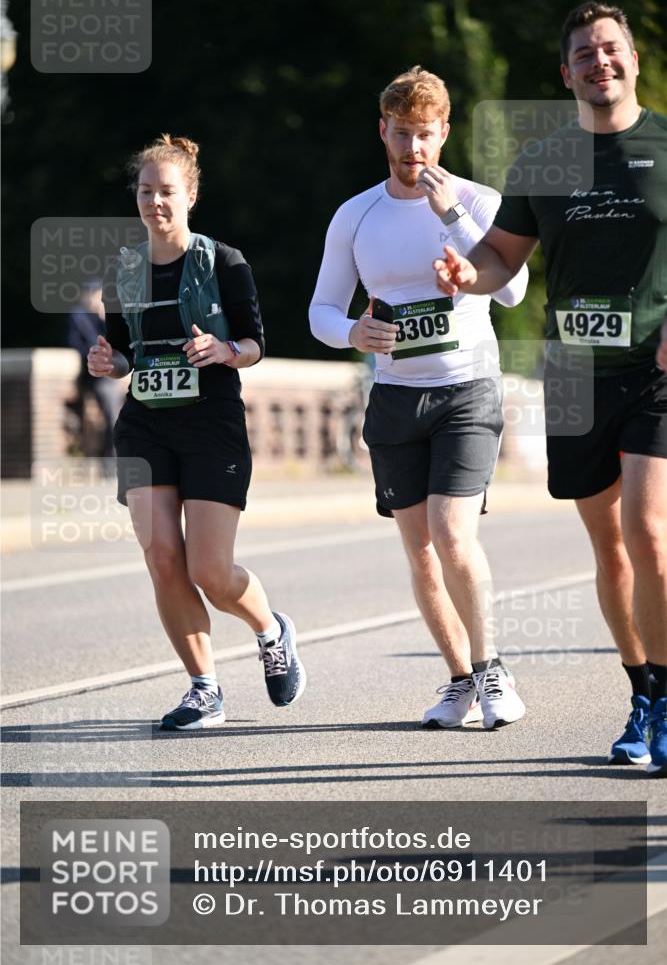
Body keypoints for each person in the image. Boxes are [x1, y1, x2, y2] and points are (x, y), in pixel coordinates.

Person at [434, 2, 667, 775]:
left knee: (649, 533)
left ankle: (665, 701)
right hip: (571, 376)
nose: (598, 62)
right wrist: (472, 274)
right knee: (611, 550)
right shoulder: (542, 161)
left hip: (653, 372)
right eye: (583, 53)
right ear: (565, 73)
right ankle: (641, 694)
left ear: (631, 59)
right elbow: (502, 256)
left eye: (610, 49)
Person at [309, 67, 529, 731]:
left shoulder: (477, 201)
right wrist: (353, 330)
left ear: (444, 133)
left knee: (450, 533)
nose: (413, 151)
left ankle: (492, 673)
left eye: (425, 136)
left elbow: (512, 292)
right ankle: (458, 680)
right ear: (383, 130)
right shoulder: (355, 215)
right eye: (401, 135)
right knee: (420, 551)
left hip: (466, 390)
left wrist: (454, 225)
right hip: (395, 400)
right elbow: (320, 308)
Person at [88, 134, 306, 730]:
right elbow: (127, 353)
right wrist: (112, 363)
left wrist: (224, 348)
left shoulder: (224, 262)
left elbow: (257, 344)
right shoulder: (124, 272)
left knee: (210, 570)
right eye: (145, 191)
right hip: (145, 429)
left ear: (190, 196)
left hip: (211, 424)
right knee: (162, 558)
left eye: (166, 191)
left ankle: (270, 628)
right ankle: (203, 689)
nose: (155, 202)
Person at [66, 279, 122, 463]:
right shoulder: (78, 315)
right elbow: (76, 344)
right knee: (111, 412)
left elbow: (119, 343)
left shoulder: (104, 316)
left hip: (112, 374)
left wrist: (105, 317)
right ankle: (110, 459)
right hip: (93, 376)